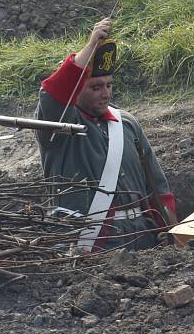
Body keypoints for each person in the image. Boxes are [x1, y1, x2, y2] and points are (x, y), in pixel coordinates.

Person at [35, 17, 176, 251]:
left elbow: (157, 187)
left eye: (108, 85)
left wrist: (169, 229)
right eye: (96, 87)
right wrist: (91, 46)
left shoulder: (127, 123)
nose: (105, 94)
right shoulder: (59, 127)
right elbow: (52, 94)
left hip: (142, 235)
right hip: (91, 244)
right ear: (76, 89)